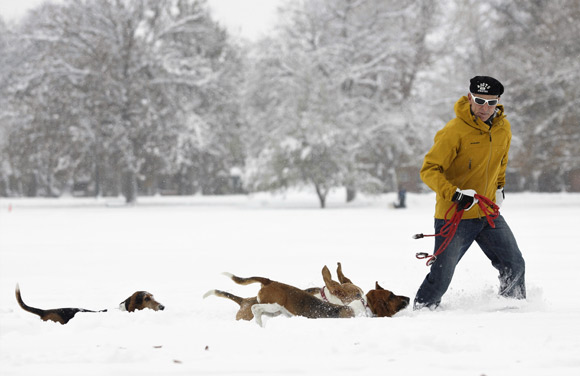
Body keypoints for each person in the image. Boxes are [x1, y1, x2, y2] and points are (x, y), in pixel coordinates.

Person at [414, 76, 526, 310]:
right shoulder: (454, 131)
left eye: (490, 102)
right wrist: (454, 194)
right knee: (442, 275)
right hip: (455, 215)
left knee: (513, 263)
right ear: (469, 98)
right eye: (479, 101)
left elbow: (501, 163)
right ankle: (423, 310)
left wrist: (499, 188)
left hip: (487, 213)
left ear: (498, 102)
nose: (484, 108)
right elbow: (429, 170)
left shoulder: (503, 129)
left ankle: (514, 309)